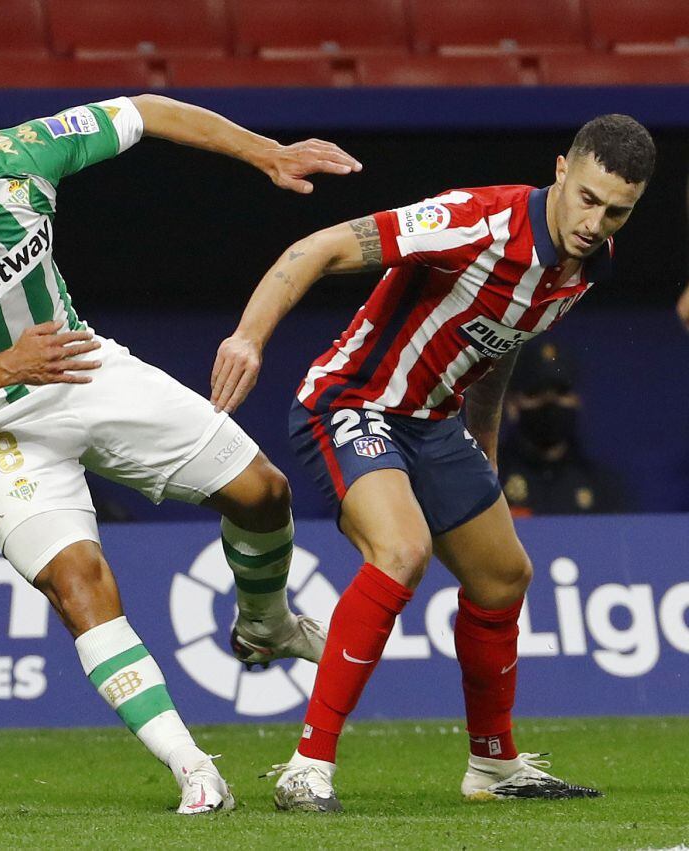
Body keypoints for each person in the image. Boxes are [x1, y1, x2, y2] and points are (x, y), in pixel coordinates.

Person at [0, 84, 362, 814]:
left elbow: (147, 110)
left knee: (263, 491)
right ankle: (194, 768)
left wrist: (265, 152)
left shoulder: (25, 154)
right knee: (78, 582)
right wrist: (6, 367)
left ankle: (266, 623)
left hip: (81, 366)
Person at [211, 114, 655, 811]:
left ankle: (494, 765)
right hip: (352, 401)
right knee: (401, 551)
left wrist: (485, 442)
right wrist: (247, 337)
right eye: (589, 199)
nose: (597, 223)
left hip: (435, 424)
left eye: (618, 212)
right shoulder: (473, 221)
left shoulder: (584, 266)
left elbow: (503, 338)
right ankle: (308, 764)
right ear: (562, 170)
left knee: (504, 577)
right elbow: (317, 247)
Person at [499, 340, 628, 515]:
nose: (550, 403)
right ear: (511, 404)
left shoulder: (603, 487)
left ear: (577, 400)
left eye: (561, 392)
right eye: (536, 393)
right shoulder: (490, 483)